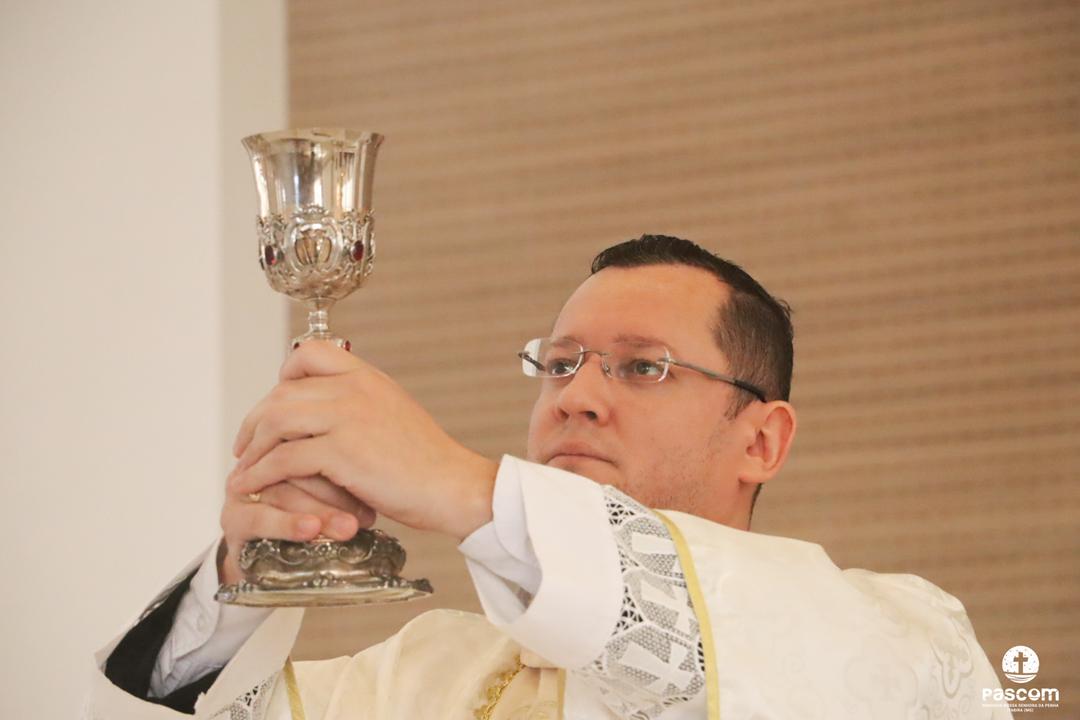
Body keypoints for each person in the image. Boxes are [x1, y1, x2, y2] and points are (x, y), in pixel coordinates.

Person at [86, 235, 1011, 719]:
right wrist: (248, 576)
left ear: (762, 441)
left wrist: (453, 482)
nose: (577, 397)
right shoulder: (419, 675)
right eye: (560, 364)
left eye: (642, 367)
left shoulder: (898, 636)